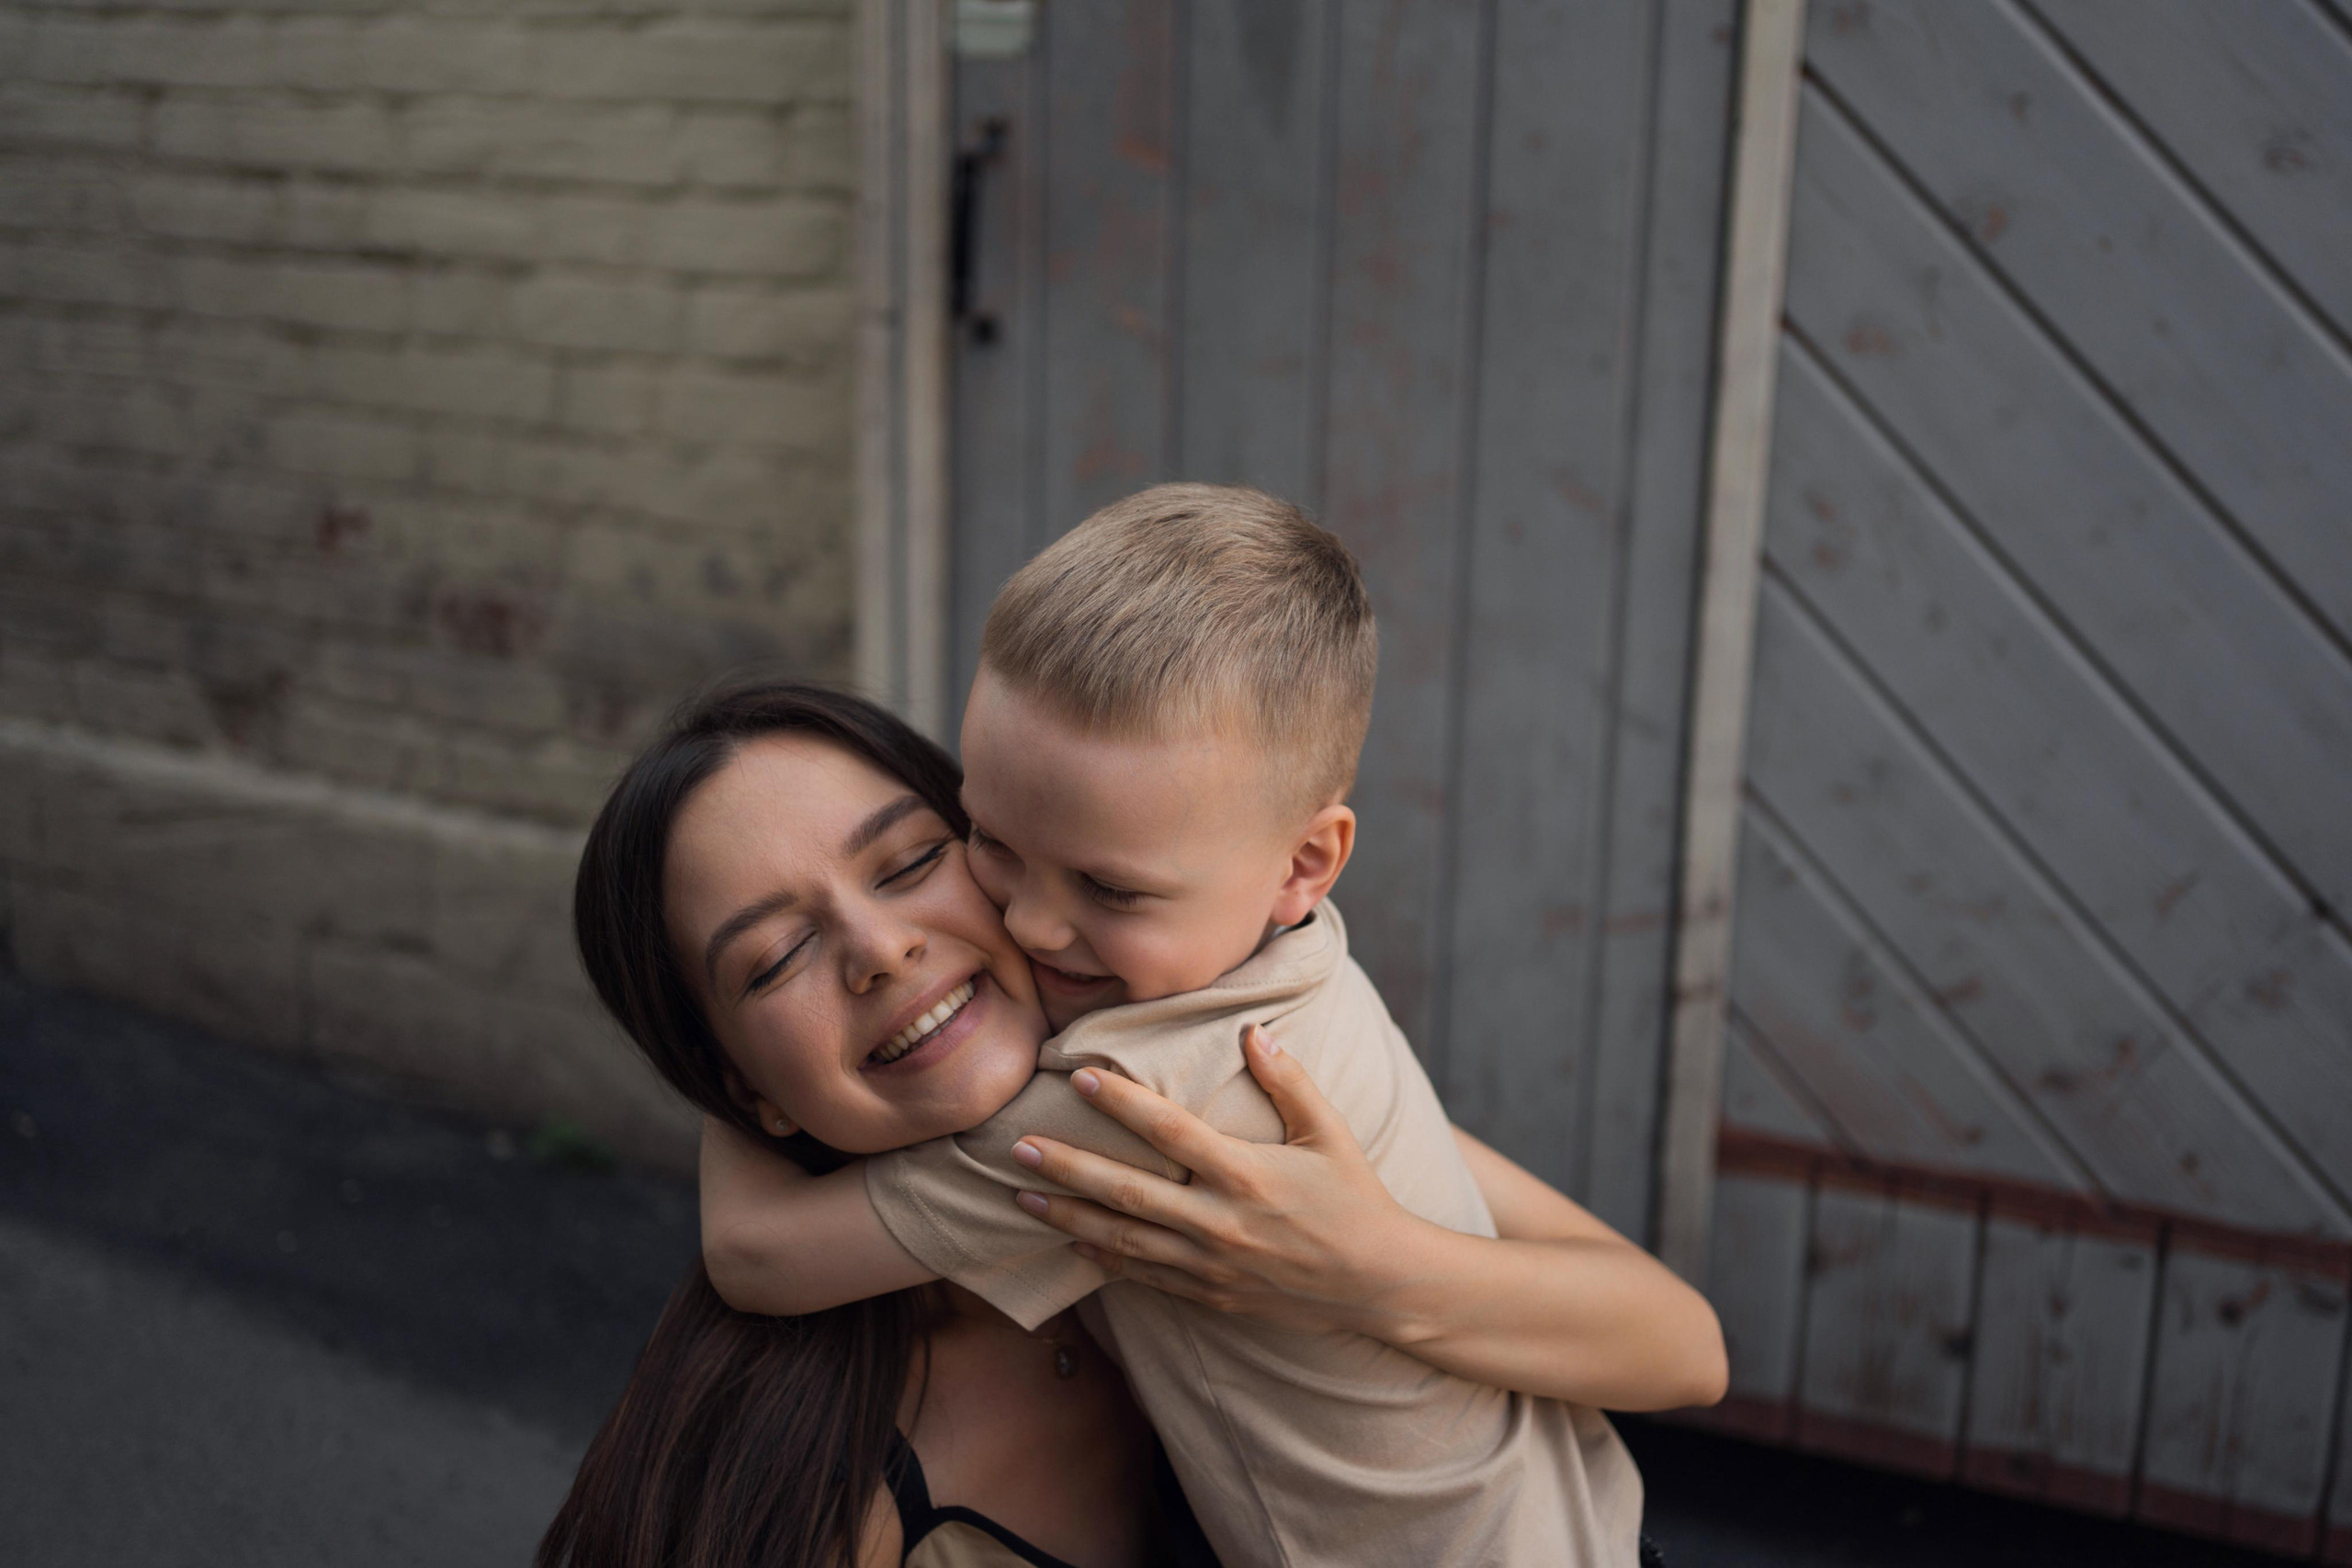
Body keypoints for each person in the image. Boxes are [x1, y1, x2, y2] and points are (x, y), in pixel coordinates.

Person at [698, 486, 1727, 1567]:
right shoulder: (1306, 966)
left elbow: (759, 1259)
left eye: (1112, 889)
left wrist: (728, 1041)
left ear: (1302, 865)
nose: (1034, 921)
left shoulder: (1132, 1097)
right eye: (987, 838)